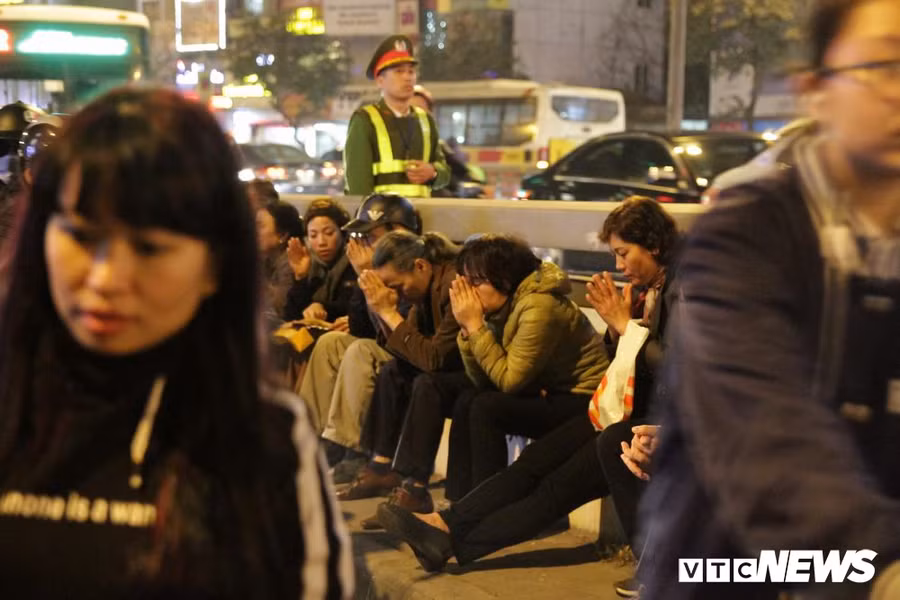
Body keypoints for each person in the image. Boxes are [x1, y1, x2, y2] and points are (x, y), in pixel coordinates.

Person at [0, 87, 351, 598]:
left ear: (214, 265)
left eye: (148, 248)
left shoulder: (264, 433)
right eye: (79, 235)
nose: (105, 278)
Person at [639, 1, 900, 598]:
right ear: (816, 91)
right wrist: (879, 571)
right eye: (886, 64)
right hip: (726, 569)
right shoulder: (744, 235)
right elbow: (765, 440)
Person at [378, 206, 678, 572]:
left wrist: (623, 325)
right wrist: (620, 329)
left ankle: (451, 540)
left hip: (632, 415)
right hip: (615, 406)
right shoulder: (654, 289)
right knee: (529, 461)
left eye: (623, 253)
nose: (619, 266)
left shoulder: (682, 290)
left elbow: (680, 367)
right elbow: (623, 360)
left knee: (555, 488)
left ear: (653, 246)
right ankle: (445, 526)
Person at [442, 234, 609, 501]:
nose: (468, 292)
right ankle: (460, 503)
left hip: (581, 401)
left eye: (475, 282)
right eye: (465, 282)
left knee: (487, 408)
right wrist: (466, 331)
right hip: (545, 390)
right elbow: (483, 380)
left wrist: (475, 327)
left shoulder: (539, 305)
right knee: (468, 399)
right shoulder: (504, 306)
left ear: (504, 280)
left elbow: (509, 382)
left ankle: (487, 505)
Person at [335, 231, 463, 515]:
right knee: (394, 371)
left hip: (475, 375)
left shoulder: (452, 285)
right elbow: (405, 350)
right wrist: (381, 311)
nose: (399, 293)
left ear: (420, 265)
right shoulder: (424, 287)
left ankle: (415, 488)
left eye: (399, 285)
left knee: (427, 384)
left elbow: (434, 359)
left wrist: (390, 313)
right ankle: (381, 466)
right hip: (449, 370)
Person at [343, 35, 450, 197]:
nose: (407, 77)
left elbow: (445, 172)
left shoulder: (425, 120)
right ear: (380, 80)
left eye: (411, 71)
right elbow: (358, 187)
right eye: (399, 71)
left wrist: (433, 172)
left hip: (423, 217)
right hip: (382, 218)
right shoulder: (365, 120)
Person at [284, 198, 356, 324]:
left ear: (343, 233)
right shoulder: (307, 262)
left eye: (329, 233)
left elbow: (350, 306)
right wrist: (300, 278)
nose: (321, 242)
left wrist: (322, 306)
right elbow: (291, 315)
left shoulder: (355, 262)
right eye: (313, 235)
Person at [256, 200, 304, 323]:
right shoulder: (266, 259)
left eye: (260, 226)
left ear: (282, 235)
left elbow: (281, 310)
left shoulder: (294, 262)